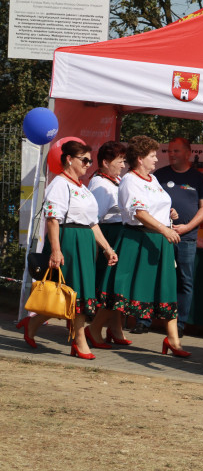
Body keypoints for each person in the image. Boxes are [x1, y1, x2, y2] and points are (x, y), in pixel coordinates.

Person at [18, 140, 118, 358]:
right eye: (84, 160)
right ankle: (80, 341)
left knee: (70, 292)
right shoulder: (59, 185)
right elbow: (53, 219)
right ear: (68, 159)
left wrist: (107, 249)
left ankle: (32, 323)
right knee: (72, 293)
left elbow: (93, 223)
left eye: (90, 161)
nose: (88, 164)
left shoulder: (83, 188)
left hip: (84, 242)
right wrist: (56, 250)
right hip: (67, 241)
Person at [96, 135, 189, 358]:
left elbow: (155, 205)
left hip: (159, 241)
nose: (157, 159)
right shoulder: (130, 180)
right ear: (140, 158)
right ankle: (93, 329)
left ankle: (173, 340)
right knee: (120, 291)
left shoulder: (152, 179)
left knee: (166, 288)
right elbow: (139, 212)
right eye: (152, 155)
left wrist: (169, 214)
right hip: (138, 240)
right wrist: (164, 228)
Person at [154, 138, 203, 333]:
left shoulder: (198, 178)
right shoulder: (159, 176)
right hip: (162, 236)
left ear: (188, 153)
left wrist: (187, 228)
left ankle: (179, 324)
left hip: (186, 239)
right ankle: (145, 321)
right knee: (156, 276)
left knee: (184, 281)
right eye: (169, 151)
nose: (171, 154)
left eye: (176, 151)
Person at [86, 141, 131, 346]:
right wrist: (105, 248)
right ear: (105, 162)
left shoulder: (114, 180)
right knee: (111, 286)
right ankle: (94, 330)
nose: (123, 165)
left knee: (118, 286)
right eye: (120, 161)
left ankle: (116, 329)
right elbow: (93, 220)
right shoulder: (100, 186)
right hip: (108, 238)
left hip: (118, 235)